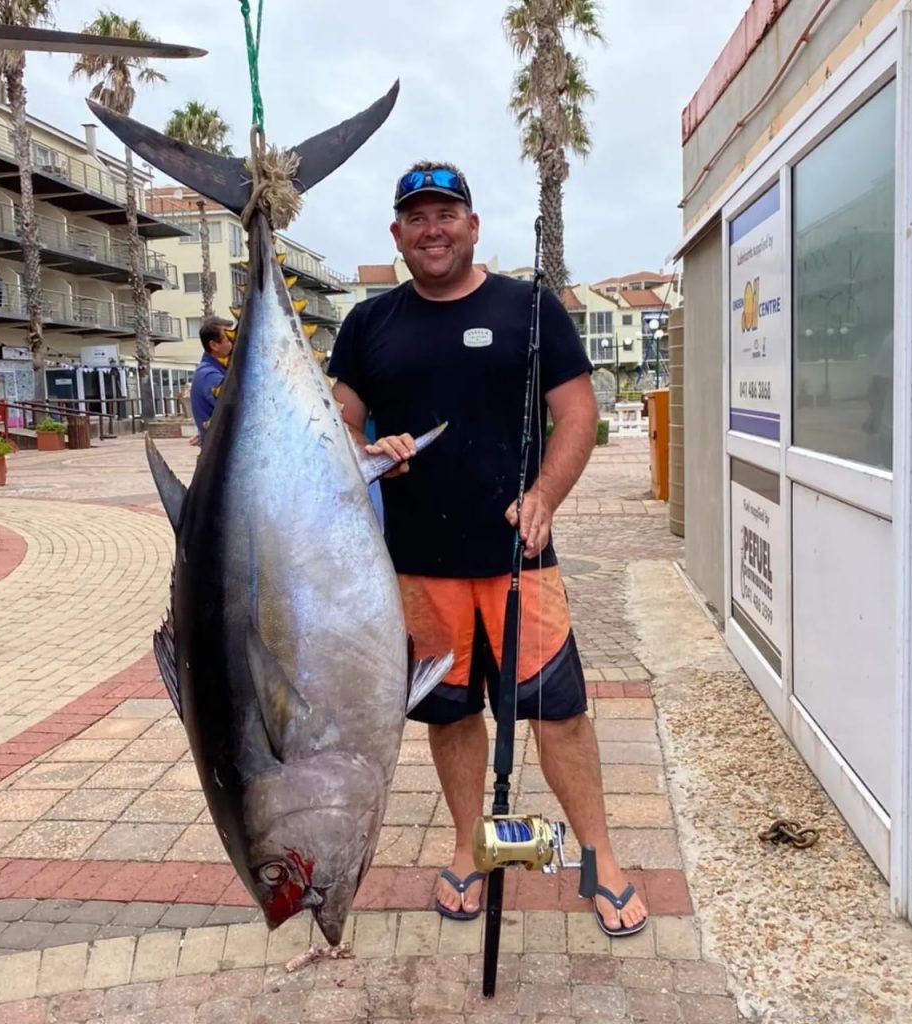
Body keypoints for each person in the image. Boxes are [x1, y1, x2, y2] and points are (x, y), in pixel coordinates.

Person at [328, 162, 648, 937]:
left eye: (447, 214)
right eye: (417, 217)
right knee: (449, 714)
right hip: (417, 568)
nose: (433, 229)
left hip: (518, 557)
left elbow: (577, 413)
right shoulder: (368, 325)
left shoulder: (528, 308)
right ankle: (471, 846)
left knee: (560, 714)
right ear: (397, 234)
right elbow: (336, 421)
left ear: (473, 227)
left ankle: (599, 856)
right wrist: (372, 447)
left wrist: (543, 496)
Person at [190, 315, 234, 446]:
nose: (235, 342)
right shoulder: (210, 375)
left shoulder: (217, 370)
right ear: (214, 345)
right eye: (229, 339)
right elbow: (236, 411)